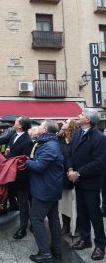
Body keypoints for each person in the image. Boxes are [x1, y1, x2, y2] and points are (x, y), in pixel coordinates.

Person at [68, 109, 106, 261]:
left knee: (94, 214)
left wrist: (79, 173)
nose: (78, 115)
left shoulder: (99, 138)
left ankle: (100, 245)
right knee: (82, 212)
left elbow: (99, 162)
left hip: (90, 182)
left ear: (88, 120)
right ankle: (85, 239)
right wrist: (70, 169)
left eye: (82, 114)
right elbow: (70, 154)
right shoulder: (78, 134)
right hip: (77, 180)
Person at [26, 120, 63, 263]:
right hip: (50, 188)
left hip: (45, 189)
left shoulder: (49, 146)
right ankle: (56, 249)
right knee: (53, 219)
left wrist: (26, 161)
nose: (38, 127)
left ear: (46, 129)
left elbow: (39, 166)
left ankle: (45, 253)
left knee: (36, 218)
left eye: (41, 126)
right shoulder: (50, 143)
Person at [57, 119, 80, 236]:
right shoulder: (59, 139)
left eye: (66, 121)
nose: (63, 122)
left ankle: (78, 227)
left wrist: (73, 170)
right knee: (64, 202)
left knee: (78, 203)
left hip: (76, 175)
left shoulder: (77, 139)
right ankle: (66, 225)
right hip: (63, 176)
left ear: (71, 126)